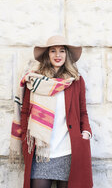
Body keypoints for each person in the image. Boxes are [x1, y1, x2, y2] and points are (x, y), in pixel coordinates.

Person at [20, 35, 93, 188]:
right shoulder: (35, 81)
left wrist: (86, 132)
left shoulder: (76, 81)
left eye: (62, 51)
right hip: (41, 152)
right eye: (53, 51)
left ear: (67, 55)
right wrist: (24, 139)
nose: (57, 55)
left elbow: (82, 112)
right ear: (47, 54)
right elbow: (25, 112)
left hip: (68, 151)